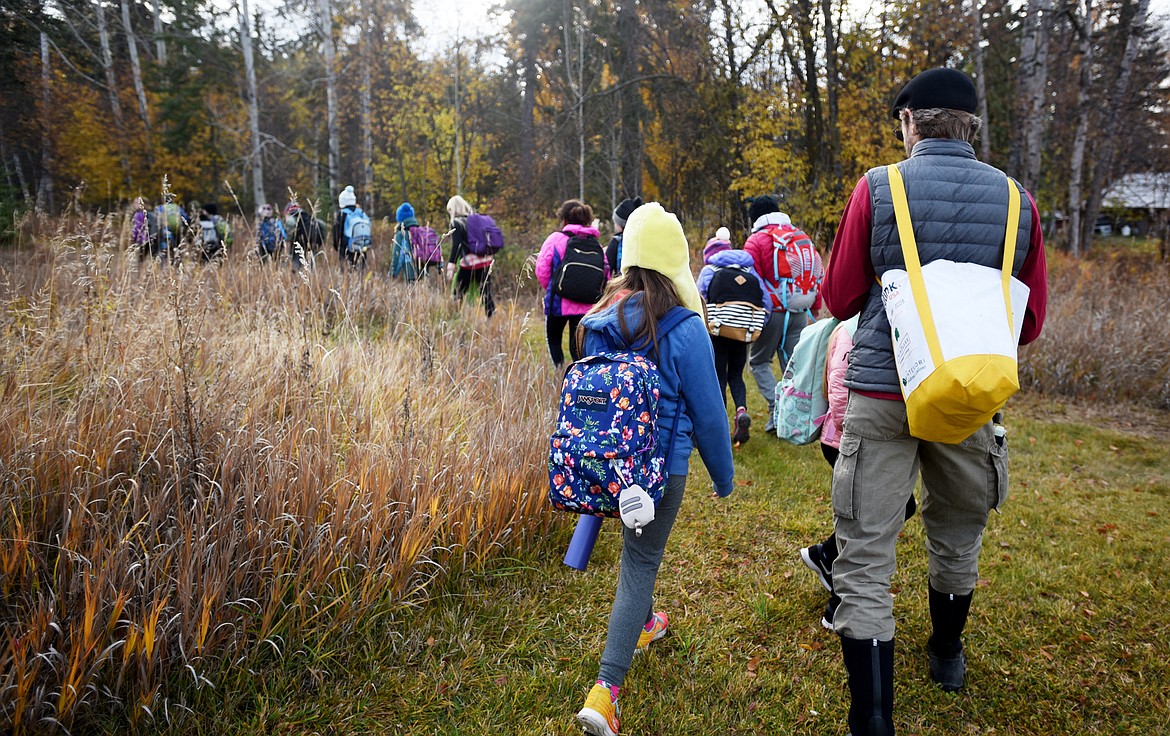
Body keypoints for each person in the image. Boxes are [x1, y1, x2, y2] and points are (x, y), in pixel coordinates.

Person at [822, 67, 1048, 735]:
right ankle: (946, 653)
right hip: (969, 394)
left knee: (865, 548)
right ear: (972, 126)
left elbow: (838, 297)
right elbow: (1029, 325)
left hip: (884, 389)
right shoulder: (1018, 203)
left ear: (908, 123)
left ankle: (873, 720)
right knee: (957, 531)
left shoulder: (878, 187)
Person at [573, 202, 734, 736]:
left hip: (607, 466)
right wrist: (723, 476)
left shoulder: (601, 317)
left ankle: (643, 622)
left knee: (636, 553)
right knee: (640, 564)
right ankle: (606, 691)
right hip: (662, 472)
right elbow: (710, 414)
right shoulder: (685, 326)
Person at [797, 316, 918, 631]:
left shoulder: (877, 321)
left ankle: (824, 554)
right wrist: (851, 435)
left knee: (886, 513)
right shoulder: (851, 328)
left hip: (859, 436)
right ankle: (836, 606)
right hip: (846, 439)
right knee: (866, 525)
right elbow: (838, 387)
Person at [742, 195, 823, 433]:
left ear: (755, 217)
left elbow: (752, 281)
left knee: (758, 362)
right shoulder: (801, 236)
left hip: (773, 312)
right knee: (792, 365)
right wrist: (815, 306)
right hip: (800, 309)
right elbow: (815, 274)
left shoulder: (756, 240)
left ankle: (775, 406)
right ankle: (793, 419)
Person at [696, 227, 769, 446]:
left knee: (718, 376)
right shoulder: (749, 270)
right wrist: (756, 325)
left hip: (718, 331)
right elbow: (766, 303)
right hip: (743, 332)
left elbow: (698, 299)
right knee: (736, 375)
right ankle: (741, 411)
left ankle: (719, 428)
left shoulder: (710, 270)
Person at [536, 199, 610, 368]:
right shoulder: (596, 244)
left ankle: (559, 375)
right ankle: (578, 379)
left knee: (554, 340)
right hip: (587, 304)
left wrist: (552, 288)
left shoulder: (555, 239)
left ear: (564, 219)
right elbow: (606, 274)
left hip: (558, 302)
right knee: (577, 347)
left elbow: (541, 269)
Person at [444, 195, 495, 317]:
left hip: (469, 262)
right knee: (486, 292)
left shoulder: (457, 222)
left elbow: (457, 245)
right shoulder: (477, 220)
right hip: (485, 261)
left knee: (459, 291)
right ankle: (491, 317)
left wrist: (451, 265)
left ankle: (453, 316)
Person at [390, 201, 440, 281]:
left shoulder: (401, 234)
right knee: (423, 292)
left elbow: (398, 256)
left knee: (412, 292)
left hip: (410, 273)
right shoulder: (420, 231)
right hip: (423, 270)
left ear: (399, 217)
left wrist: (392, 274)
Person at [605, 196, 642, 275]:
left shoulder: (616, 241)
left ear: (621, 224)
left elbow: (607, 267)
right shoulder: (642, 239)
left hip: (623, 284)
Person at [285, 201, 325, 270]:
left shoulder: (291, 217)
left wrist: (287, 242)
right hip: (312, 243)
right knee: (311, 265)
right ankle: (311, 278)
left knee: (296, 266)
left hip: (298, 243)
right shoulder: (307, 215)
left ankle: (296, 277)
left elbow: (290, 234)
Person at [332, 185, 363, 270]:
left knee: (346, 271)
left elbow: (336, 233)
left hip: (345, 247)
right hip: (361, 246)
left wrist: (337, 246)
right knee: (358, 271)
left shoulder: (342, 214)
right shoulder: (360, 212)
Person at [130, 197, 154, 261]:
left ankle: (141, 270)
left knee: (141, 260)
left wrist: (133, 239)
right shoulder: (150, 213)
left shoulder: (138, 215)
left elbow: (137, 228)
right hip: (151, 239)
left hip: (141, 239)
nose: (134, 204)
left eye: (136, 203)